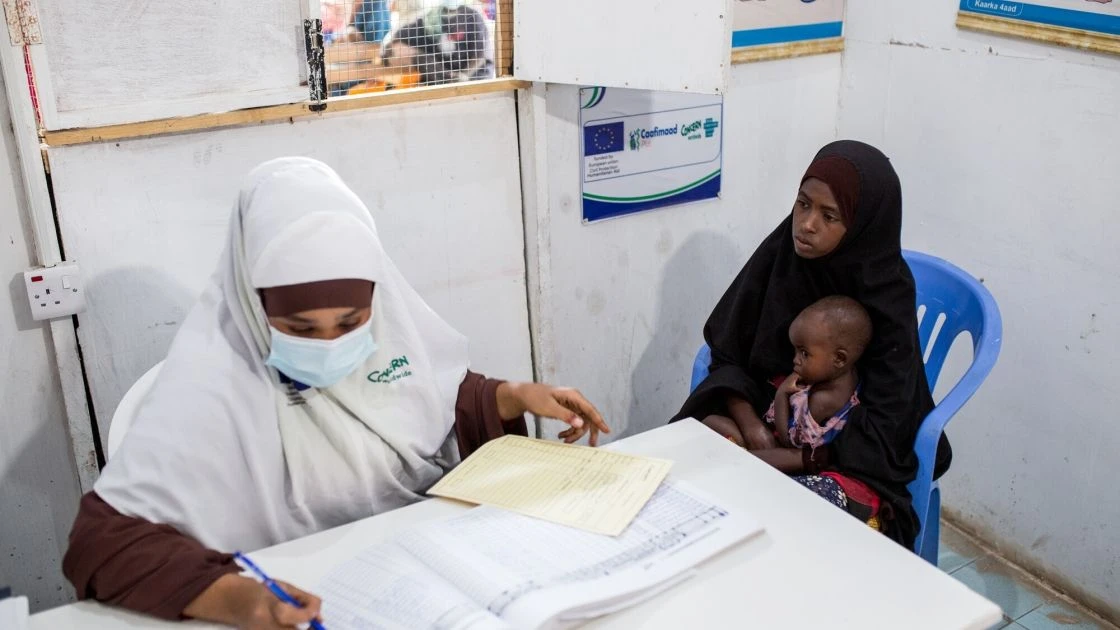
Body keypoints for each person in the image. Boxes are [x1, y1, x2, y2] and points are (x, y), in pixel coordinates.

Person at [62, 158, 609, 628]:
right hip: (297, 595)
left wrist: (516, 395)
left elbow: (432, 403)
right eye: (300, 329)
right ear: (257, 306)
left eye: (351, 322)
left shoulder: (392, 329)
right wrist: (244, 602)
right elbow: (102, 544)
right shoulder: (210, 385)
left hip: (420, 574)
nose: (329, 344)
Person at [673, 140, 950, 548]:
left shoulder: (887, 295)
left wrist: (802, 458)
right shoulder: (781, 255)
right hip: (767, 426)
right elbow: (729, 355)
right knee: (689, 464)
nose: (806, 224)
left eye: (829, 215)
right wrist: (752, 426)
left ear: (860, 224)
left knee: (787, 518)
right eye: (802, 205)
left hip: (843, 457)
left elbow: (888, 417)